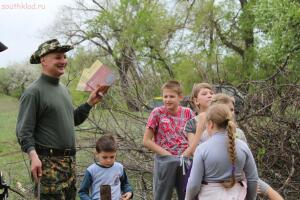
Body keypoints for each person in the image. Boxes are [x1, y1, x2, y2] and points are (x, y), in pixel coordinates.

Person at [16, 39, 108, 200]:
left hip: (69, 164)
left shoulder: (63, 90)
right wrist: (33, 156)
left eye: (64, 57)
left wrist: (90, 102)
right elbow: (24, 131)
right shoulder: (33, 92)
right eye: (58, 57)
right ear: (43, 60)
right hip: (48, 165)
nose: (63, 61)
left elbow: (72, 119)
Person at [185, 104, 258, 200]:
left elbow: (194, 184)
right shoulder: (243, 146)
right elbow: (253, 179)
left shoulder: (202, 149)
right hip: (238, 195)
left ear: (210, 124)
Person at [143, 80, 195, 200]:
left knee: (188, 195)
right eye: (165, 96)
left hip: (185, 159)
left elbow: (193, 138)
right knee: (162, 195)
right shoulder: (157, 113)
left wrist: (186, 154)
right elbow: (146, 140)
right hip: (164, 159)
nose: (167, 99)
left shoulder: (188, 113)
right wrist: (168, 155)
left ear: (180, 97)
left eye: (171, 96)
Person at [78, 135, 133, 200]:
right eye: (104, 157)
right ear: (97, 154)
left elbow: (125, 184)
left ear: (116, 153)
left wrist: (129, 192)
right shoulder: (91, 170)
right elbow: (83, 192)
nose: (108, 160)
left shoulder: (119, 168)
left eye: (112, 157)